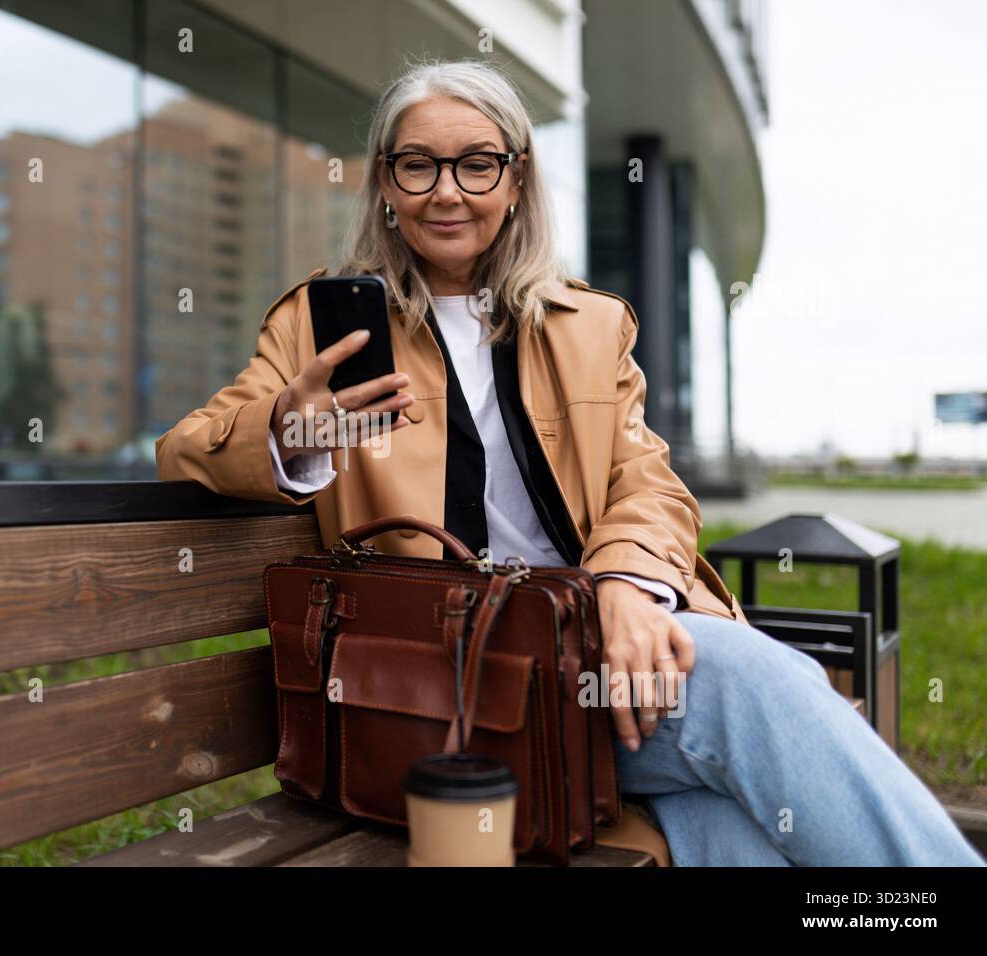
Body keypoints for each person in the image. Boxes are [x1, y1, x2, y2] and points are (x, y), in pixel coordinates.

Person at [155, 57, 983, 866]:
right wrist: (290, 432)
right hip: (429, 688)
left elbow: (648, 482)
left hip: (590, 656)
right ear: (385, 183)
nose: (447, 189)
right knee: (763, 689)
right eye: (418, 165)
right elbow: (186, 450)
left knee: (740, 830)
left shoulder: (587, 325)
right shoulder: (318, 323)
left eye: (477, 164)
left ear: (516, 182)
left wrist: (625, 583)